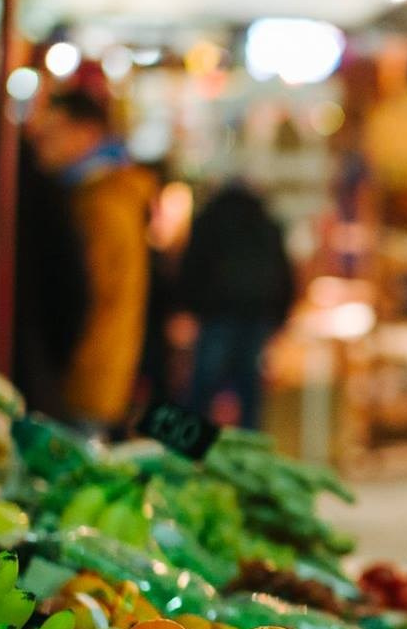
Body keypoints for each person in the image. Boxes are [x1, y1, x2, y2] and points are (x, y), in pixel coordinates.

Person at [28, 87, 157, 432]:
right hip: (102, 375)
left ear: (87, 133)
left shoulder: (98, 205)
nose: (42, 142)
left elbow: (84, 296)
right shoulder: (107, 195)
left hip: (85, 381)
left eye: (55, 131)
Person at [181, 180, 295, 427]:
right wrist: (280, 317)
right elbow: (284, 274)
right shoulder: (266, 223)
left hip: (217, 315)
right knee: (250, 391)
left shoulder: (208, 220)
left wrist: (189, 307)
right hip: (257, 316)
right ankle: (248, 451)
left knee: (202, 388)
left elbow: (191, 268)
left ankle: (189, 452)